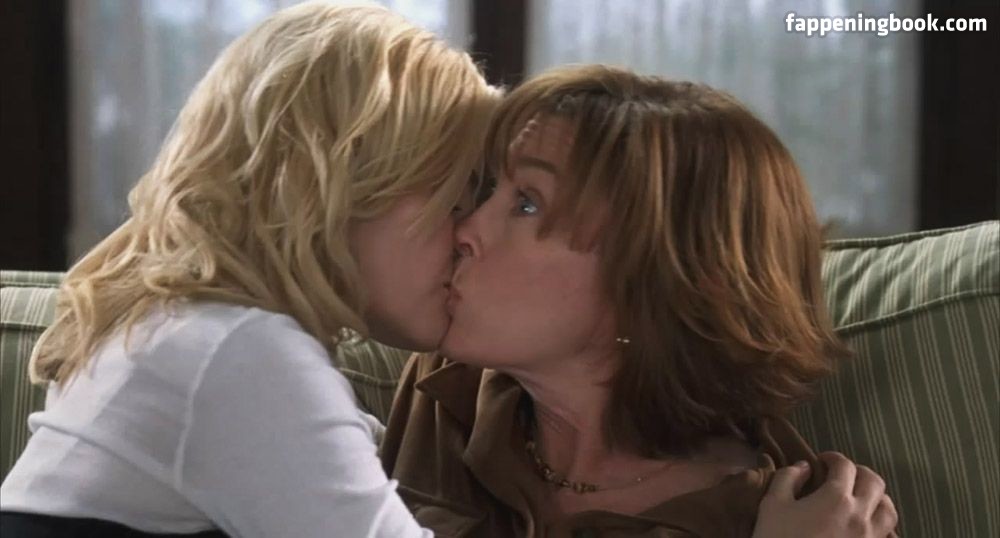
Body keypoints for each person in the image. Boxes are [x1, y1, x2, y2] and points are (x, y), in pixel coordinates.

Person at [0, 3, 498, 536]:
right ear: (345, 188)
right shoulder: (237, 352)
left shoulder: (188, 328)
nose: (468, 235)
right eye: (455, 199)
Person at [381, 64, 899, 537]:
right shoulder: (444, 394)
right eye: (490, 188)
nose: (465, 230)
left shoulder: (805, 516)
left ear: (653, 276)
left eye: (526, 203)